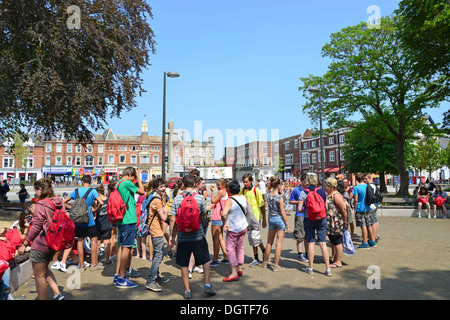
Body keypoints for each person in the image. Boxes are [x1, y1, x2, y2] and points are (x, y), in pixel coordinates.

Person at [169, 174, 216, 299]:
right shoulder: (200, 198)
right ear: (194, 184)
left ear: (183, 185)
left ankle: (187, 290)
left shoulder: (177, 198)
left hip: (183, 237)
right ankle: (207, 285)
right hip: (198, 235)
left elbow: (173, 219)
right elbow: (203, 215)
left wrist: (171, 236)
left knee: (184, 264)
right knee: (206, 260)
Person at [17, 178, 64, 300]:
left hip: (41, 243)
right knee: (44, 270)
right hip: (54, 242)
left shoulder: (41, 204)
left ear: (40, 189)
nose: (35, 193)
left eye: (35, 190)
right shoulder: (58, 201)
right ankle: (57, 293)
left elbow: (37, 227)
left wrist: (25, 243)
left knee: (39, 276)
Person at [113, 167, 145, 288]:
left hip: (121, 219)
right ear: (131, 175)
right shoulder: (127, 183)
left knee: (122, 247)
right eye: (134, 177)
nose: (135, 179)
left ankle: (119, 275)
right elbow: (142, 192)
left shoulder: (119, 183)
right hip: (129, 218)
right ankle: (122, 278)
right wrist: (140, 179)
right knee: (127, 248)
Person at [64, 175, 103, 271]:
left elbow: (63, 202)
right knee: (93, 239)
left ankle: (81, 265)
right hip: (89, 219)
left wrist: (71, 208)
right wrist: (94, 210)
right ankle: (93, 264)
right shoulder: (92, 191)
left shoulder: (76, 191)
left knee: (80, 240)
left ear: (82, 182)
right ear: (90, 182)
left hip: (78, 220)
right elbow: (101, 203)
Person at [297, 173, 331, 276]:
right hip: (321, 219)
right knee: (323, 244)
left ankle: (310, 268)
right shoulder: (322, 192)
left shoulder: (303, 193)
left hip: (309, 219)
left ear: (307, 181)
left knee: (311, 243)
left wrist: (307, 211)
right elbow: (325, 207)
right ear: (317, 181)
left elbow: (299, 209)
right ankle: (328, 269)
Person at [259, 176, 290, 272]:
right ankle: (275, 266)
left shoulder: (268, 195)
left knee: (269, 242)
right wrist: (287, 225)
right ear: (279, 185)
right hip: (279, 220)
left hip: (271, 219)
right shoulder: (279, 197)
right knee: (278, 244)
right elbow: (283, 212)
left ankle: (265, 262)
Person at [145, 178, 170, 292]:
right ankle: (150, 281)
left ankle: (157, 277)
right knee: (159, 255)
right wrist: (173, 217)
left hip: (157, 229)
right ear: (156, 188)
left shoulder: (160, 197)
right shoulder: (156, 200)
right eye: (161, 187)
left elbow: (164, 210)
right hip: (156, 230)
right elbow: (164, 217)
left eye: (164, 186)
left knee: (157, 254)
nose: (163, 188)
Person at [221, 180, 248, 281]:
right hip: (243, 226)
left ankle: (234, 272)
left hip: (233, 228)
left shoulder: (230, 200)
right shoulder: (243, 198)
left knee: (231, 249)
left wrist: (225, 223)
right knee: (240, 247)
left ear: (229, 189)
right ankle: (239, 268)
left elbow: (224, 214)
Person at [240, 173, 266, 267]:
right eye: (244, 182)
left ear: (251, 181)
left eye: (246, 182)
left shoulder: (256, 190)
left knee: (254, 237)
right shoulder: (242, 190)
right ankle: (257, 257)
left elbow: (262, 205)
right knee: (251, 238)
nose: (245, 184)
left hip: (256, 217)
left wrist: (264, 219)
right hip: (247, 218)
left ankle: (263, 251)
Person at [324, 177, 347, 268]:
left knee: (337, 241)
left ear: (331, 186)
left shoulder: (336, 195)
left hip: (336, 222)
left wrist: (345, 220)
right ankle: (334, 257)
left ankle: (338, 261)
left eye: (326, 186)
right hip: (330, 222)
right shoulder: (330, 194)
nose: (324, 187)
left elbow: (343, 208)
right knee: (333, 241)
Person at [208, 178, 229, 266]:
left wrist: (212, 191)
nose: (217, 186)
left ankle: (215, 259)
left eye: (218, 185)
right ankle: (225, 257)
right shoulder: (226, 192)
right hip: (222, 217)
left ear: (223, 185)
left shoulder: (221, 192)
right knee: (220, 238)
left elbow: (213, 201)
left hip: (217, 217)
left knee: (215, 239)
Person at [352, 172, 376, 248]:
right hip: (367, 208)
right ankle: (372, 241)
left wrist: (355, 209)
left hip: (360, 208)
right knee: (368, 225)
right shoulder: (367, 186)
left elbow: (355, 199)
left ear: (356, 179)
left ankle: (365, 243)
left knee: (363, 226)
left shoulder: (356, 188)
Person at [289, 173, 309, 263]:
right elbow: (290, 201)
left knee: (308, 236)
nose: (306, 183)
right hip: (300, 215)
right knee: (300, 236)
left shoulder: (310, 190)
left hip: (309, 215)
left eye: (307, 181)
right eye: (305, 181)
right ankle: (300, 254)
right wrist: (300, 202)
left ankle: (307, 253)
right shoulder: (296, 190)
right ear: (301, 181)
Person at [94, 184, 113, 266]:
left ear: (98, 192)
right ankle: (107, 260)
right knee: (106, 243)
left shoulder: (95, 201)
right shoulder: (108, 200)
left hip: (98, 224)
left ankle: (95, 261)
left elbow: (94, 212)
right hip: (107, 224)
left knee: (97, 243)